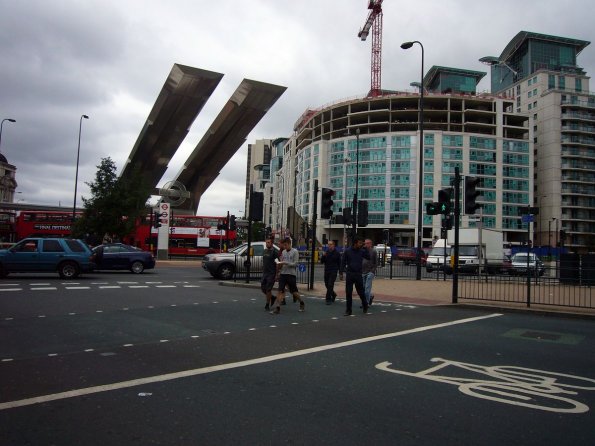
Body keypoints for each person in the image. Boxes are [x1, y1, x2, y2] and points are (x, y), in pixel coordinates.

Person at [270, 237, 305, 314]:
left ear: (289, 244)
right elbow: (282, 262)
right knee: (280, 291)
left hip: (291, 274)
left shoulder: (295, 251)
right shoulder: (283, 252)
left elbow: (295, 264)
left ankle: (301, 302)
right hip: (283, 274)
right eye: (284, 245)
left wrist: (286, 263)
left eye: (286, 245)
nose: (285, 247)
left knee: (293, 292)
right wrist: (279, 266)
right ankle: (277, 307)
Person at [340, 235, 370, 316]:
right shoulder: (347, 251)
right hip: (350, 274)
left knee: (361, 292)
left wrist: (365, 248)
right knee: (348, 293)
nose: (361, 244)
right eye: (360, 243)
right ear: (355, 243)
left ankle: (365, 305)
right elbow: (343, 261)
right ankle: (348, 310)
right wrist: (341, 273)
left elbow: (368, 257)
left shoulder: (361, 251)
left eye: (361, 243)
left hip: (358, 274)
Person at [321, 240, 342, 305]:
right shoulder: (326, 252)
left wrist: (340, 273)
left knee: (330, 284)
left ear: (333, 245)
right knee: (327, 284)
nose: (329, 246)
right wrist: (323, 256)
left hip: (334, 271)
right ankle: (333, 294)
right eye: (328, 244)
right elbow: (322, 262)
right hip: (327, 270)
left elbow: (339, 263)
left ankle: (328, 299)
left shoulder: (337, 253)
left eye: (330, 244)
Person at [261, 238, 277, 311]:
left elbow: (277, 263)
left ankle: (267, 304)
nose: (267, 243)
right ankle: (272, 297)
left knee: (268, 289)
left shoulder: (274, 252)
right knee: (263, 288)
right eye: (266, 242)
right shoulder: (264, 251)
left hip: (271, 273)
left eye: (269, 242)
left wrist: (277, 274)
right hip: (265, 273)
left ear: (272, 243)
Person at [362, 238, 377, 306]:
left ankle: (366, 303)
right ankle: (370, 296)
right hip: (363, 271)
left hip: (370, 271)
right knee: (363, 287)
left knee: (367, 288)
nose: (366, 244)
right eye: (365, 243)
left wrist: (372, 271)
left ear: (370, 244)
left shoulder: (373, 251)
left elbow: (376, 262)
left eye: (367, 243)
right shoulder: (362, 251)